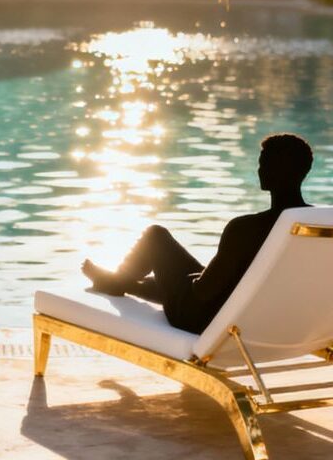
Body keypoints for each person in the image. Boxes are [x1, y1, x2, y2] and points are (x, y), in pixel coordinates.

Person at [81, 133, 313, 334]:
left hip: (205, 321)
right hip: (267, 320)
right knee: (194, 277)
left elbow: (202, 293)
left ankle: (115, 282)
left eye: (263, 164)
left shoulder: (244, 228)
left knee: (156, 236)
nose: (259, 170)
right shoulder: (319, 225)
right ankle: (126, 283)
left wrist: (186, 277)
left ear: (274, 171)